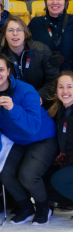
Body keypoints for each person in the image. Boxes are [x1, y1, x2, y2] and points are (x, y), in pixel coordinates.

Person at [0, 54, 57, 225]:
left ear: (8, 72)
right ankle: (26, 207)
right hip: (17, 139)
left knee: (27, 175)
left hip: (41, 137)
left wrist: (14, 108)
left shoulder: (26, 90)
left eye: (1, 70)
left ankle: (44, 208)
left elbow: (34, 127)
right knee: (5, 174)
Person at [0, 15, 58, 104]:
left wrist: (39, 96)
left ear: (25, 33)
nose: (15, 33)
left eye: (19, 30)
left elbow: (53, 80)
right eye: (10, 30)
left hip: (39, 102)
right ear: (4, 35)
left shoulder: (42, 50)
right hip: (12, 103)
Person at [28, 0, 73, 71]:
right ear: (45, 2)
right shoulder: (35, 23)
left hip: (69, 80)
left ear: (66, 1)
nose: (54, 2)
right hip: (44, 79)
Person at [48, 72, 73, 206]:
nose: (65, 91)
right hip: (67, 158)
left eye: (69, 87)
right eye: (61, 87)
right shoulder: (59, 110)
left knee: (59, 180)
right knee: (45, 178)